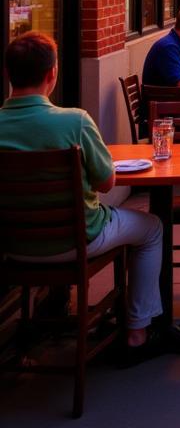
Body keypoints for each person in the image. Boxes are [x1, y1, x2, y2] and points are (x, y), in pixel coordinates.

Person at [0, 32, 163, 358]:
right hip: (79, 239)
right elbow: (106, 183)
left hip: (13, 246)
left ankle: (54, 306)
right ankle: (137, 331)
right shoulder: (74, 121)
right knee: (152, 228)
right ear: (52, 74)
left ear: (8, 75)